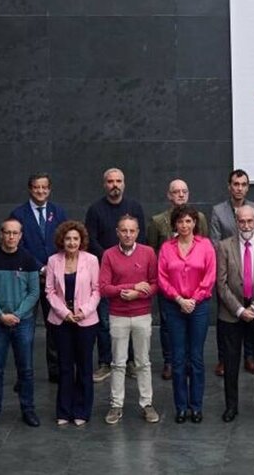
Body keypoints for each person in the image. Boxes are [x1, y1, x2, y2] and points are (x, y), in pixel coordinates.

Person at [84, 167, 146, 383]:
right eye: (110, 181)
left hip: (131, 272)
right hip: (104, 272)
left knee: (129, 317)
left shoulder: (134, 207)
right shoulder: (94, 209)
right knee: (104, 320)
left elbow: (142, 237)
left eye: (118, 181)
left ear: (124, 183)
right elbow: (90, 240)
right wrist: (112, 258)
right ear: (104, 184)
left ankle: (129, 361)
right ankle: (105, 362)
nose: (114, 185)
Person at [0, 218, 41, 429]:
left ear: (21, 236)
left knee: (26, 369)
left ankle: (28, 409)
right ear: (1, 234)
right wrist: (0, 315)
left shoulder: (29, 260)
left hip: (23, 323)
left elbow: (34, 293)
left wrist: (17, 314)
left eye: (15, 233)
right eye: (7, 232)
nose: (11, 237)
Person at [216, 206, 254, 423]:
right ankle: (231, 407)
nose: (246, 226)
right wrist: (240, 310)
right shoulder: (224, 246)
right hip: (232, 313)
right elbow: (220, 284)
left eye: (250, 221)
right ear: (236, 222)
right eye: (242, 221)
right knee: (231, 363)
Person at [98, 214, 160, 424]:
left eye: (132, 230)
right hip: (118, 316)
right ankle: (116, 405)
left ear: (138, 232)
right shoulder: (108, 255)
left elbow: (154, 284)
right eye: (124, 230)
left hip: (142, 314)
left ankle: (147, 403)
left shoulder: (148, 253)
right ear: (117, 232)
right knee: (118, 363)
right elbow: (104, 287)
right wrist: (131, 287)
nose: (128, 234)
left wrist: (139, 294)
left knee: (143, 362)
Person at [157, 205, 216, 424]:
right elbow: (162, 277)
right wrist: (179, 299)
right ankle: (181, 407)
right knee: (178, 359)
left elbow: (210, 276)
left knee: (197, 358)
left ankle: (196, 406)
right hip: (174, 306)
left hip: (198, 307)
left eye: (189, 221)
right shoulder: (166, 248)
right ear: (175, 224)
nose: (184, 225)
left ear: (195, 223)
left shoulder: (206, 245)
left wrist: (194, 299)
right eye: (180, 221)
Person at [147, 179, 209, 381]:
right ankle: (169, 361)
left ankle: (190, 362)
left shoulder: (199, 217)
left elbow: (205, 247)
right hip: (169, 284)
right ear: (169, 195)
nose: (180, 195)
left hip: (195, 284)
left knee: (194, 330)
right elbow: (153, 251)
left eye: (184, 191)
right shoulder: (158, 221)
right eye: (176, 192)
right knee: (167, 325)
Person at [9, 172, 67, 384]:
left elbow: (66, 241)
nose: (40, 191)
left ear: (49, 189)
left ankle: (56, 371)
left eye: (44, 187)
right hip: (27, 280)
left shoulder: (59, 212)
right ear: (30, 189)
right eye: (36, 187)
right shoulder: (18, 214)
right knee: (24, 329)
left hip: (55, 280)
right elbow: (17, 247)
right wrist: (41, 269)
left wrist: (53, 270)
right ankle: (23, 374)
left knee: (55, 326)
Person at [209, 169, 254, 378]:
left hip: (252, 271)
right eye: (236, 184)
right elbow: (214, 243)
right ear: (229, 186)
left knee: (251, 314)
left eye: (243, 184)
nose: (239, 188)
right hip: (227, 272)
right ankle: (224, 359)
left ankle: (249, 356)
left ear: (248, 187)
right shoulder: (218, 211)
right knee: (226, 320)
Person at [46, 220, 100, 426]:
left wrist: (84, 311)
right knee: (65, 367)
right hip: (61, 321)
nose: (71, 242)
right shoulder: (53, 261)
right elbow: (49, 291)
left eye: (75, 238)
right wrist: (64, 312)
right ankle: (63, 411)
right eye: (68, 238)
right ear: (62, 240)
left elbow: (97, 290)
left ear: (81, 240)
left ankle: (82, 411)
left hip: (86, 320)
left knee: (85, 367)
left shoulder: (92, 260)